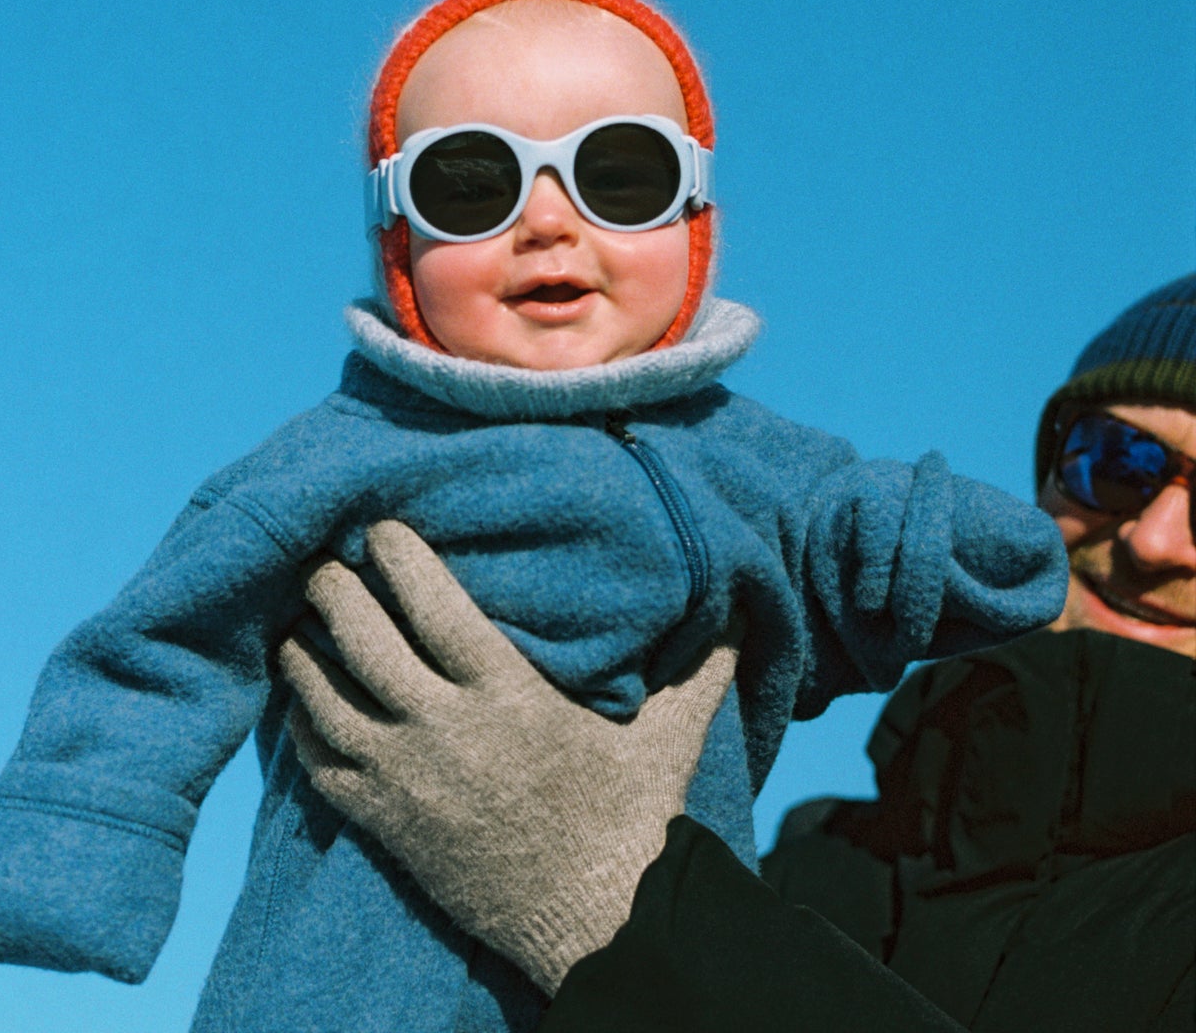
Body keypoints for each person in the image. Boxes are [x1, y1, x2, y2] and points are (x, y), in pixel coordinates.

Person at [0, 0, 1067, 1033]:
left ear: (693, 221)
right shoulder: (338, 457)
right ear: (400, 241)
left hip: (648, 973)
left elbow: (853, 537)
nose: (546, 220)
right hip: (350, 966)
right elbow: (164, 646)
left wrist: (953, 548)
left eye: (616, 174)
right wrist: (78, 848)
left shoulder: (749, 459)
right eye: (469, 183)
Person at [283, 273, 1196, 1031]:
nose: (1155, 541)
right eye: (1117, 460)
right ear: (1050, 474)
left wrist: (625, 919)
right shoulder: (800, 869)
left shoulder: (704, 897)